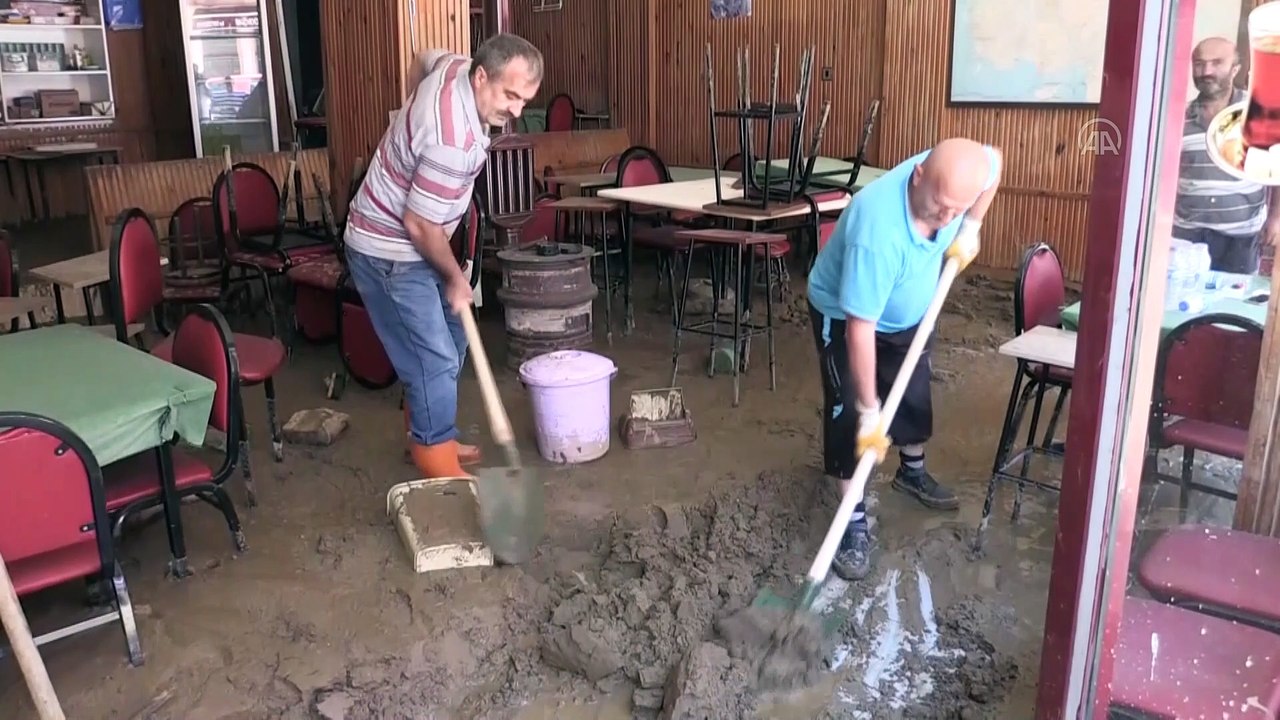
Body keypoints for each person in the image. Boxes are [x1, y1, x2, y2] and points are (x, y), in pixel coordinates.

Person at [344, 34, 543, 478]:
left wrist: (407, 116)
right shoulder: (450, 139)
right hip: (388, 250)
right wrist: (456, 278)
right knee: (432, 357)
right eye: (509, 95)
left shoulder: (453, 66)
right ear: (480, 77)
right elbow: (418, 224)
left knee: (454, 335)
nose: (516, 111)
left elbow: (421, 60)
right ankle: (436, 461)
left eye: (524, 99)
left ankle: (430, 427)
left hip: (416, 241)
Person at [805, 138, 1000, 581]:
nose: (946, 217)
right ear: (918, 177)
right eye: (940, 207)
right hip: (846, 315)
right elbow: (860, 329)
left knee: (912, 387)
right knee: (849, 412)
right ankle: (853, 520)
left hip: (909, 308)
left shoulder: (959, 178)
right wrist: (870, 410)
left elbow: (995, 165)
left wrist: (972, 225)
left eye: (957, 209)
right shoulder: (878, 234)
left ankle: (911, 473)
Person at [1175, 37, 1280, 272]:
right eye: (1199, 64)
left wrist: (1276, 218)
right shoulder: (1178, 116)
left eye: (1216, 63)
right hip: (1186, 235)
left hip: (1240, 237)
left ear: (1235, 69)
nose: (1206, 71)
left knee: (1230, 304)